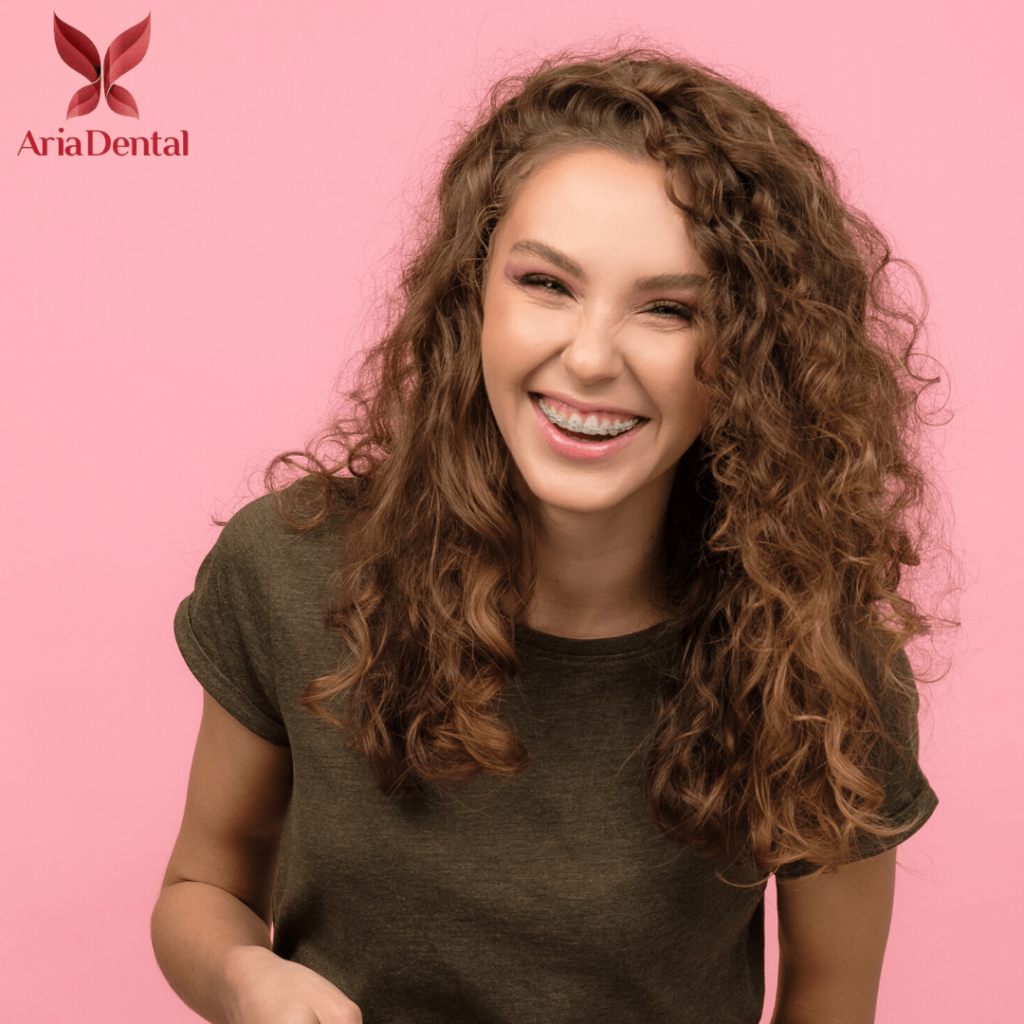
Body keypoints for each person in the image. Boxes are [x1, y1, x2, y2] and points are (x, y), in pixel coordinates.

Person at [152, 47, 948, 1024]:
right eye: (546, 284)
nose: (588, 356)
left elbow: (829, 999)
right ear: (472, 298)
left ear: (749, 358)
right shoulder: (284, 570)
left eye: (668, 307)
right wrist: (245, 978)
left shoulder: (821, 658)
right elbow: (202, 888)